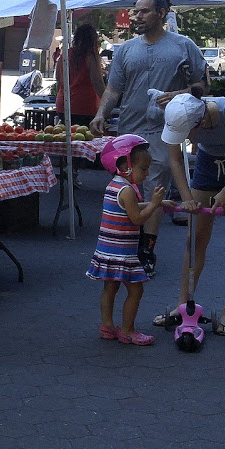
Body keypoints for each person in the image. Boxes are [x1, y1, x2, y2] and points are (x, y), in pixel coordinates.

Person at [89, 0, 209, 236]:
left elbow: (203, 86)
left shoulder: (183, 46)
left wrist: (178, 94)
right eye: (136, 11)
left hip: (164, 131)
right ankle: (128, 242)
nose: (137, 16)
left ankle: (148, 247)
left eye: (144, 11)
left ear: (161, 13)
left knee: (155, 186)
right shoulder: (126, 50)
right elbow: (114, 88)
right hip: (129, 130)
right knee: (128, 188)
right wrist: (101, 113)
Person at [159, 93, 225, 335]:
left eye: (187, 135)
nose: (184, 139)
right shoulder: (177, 114)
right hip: (209, 162)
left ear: (201, 124)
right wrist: (186, 198)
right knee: (195, 238)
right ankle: (183, 305)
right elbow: (175, 159)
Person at [88, 135, 169, 346]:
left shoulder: (115, 186)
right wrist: (154, 205)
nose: (147, 173)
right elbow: (137, 218)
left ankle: (107, 326)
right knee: (136, 289)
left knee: (110, 288)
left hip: (108, 249)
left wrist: (156, 203)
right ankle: (127, 330)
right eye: (143, 168)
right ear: (125, 165)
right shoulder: (127, 191)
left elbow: (128, 210)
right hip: (123, 251)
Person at [56, 24, 105, 127]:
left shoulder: (64, 54)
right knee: (85, 137)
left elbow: (58, 79)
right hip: (84, 105)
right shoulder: (91, 56)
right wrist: (107, 105)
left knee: (66, 137)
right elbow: (97, 82)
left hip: (63, 103)